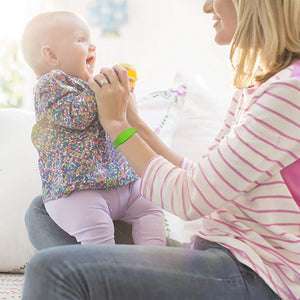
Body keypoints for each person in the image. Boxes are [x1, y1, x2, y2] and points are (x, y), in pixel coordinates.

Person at [22, 0, 300, 299]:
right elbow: (205, 180)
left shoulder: (288, 92)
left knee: (51, 270)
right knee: (45, 209)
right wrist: (134, 121)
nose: (206, 6)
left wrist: (117, 125)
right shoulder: (257, 87)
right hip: (220, 249)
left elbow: (190, 199)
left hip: (257, 273)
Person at [20, 11, 166, 246]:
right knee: (97, 229)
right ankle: (107, 271)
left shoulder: (88, 85)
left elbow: (120, 124)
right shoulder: (50, 85)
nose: (92, 46)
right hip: (79, 190)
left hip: (122, 181)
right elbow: (75, 115)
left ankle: (155, 261)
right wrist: (101, 89)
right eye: (81, 40)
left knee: (150, 207)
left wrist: (120, 96)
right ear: (51, 55)